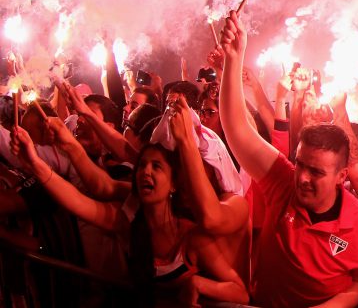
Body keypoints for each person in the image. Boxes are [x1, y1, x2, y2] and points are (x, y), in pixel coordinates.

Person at [219, 9, 358, 308]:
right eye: (301, 165)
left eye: (316, 172)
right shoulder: (282, 180)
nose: (302, 178)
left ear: (342, 176)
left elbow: (357, 285)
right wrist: (233, 57)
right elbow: (237, 129)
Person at [9, 126, 248, 306]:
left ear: (174, 184)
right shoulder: (128, 224)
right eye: (142, 165)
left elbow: (240, 292)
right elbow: (77, 201)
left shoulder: (192, 238)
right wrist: (35, 162)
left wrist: (198, 283)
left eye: (157, 167)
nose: (145, 171)